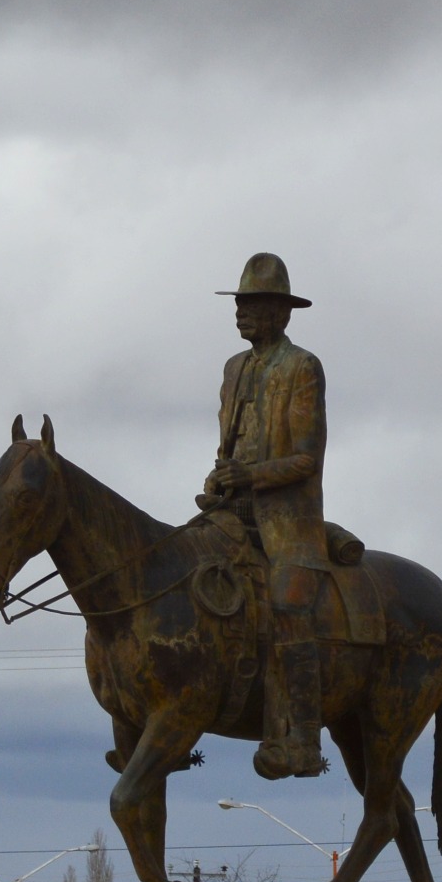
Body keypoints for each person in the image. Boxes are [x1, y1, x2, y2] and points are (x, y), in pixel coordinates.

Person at [198, 253, 329, 779]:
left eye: (252, 304)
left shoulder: (302, 367)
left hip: (287, 521)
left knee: (288, 606)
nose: (241, 313)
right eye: (239, 304)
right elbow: (230, 443)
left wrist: (249, 476)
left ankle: (301, 739)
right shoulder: (234, 369)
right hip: (230, 512)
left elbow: (305, 459)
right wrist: (219, 475)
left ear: (281, 312)